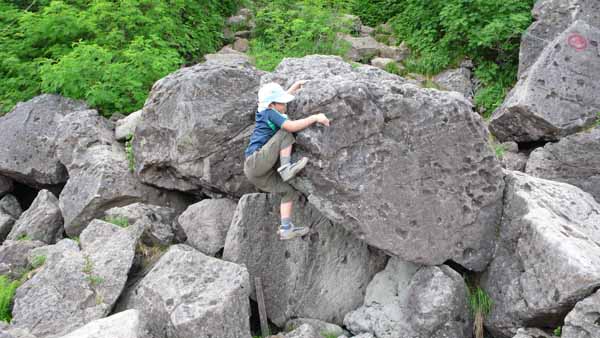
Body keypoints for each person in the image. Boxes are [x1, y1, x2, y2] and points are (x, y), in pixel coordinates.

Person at [243, 81, 330, 240]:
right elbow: (290, 126)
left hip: (255, 172)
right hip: (256, 161)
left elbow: (277, 102)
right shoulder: (270, 113)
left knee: (288, 191)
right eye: (282, 103)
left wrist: (293, 88)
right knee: (285, 133)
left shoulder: (265, 110)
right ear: (272, 105)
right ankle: (285, 168)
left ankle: (286, 228)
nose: (285, 105)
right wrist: (315, 117)